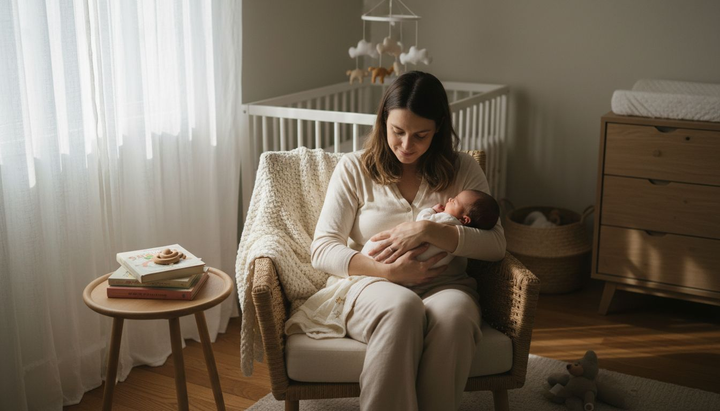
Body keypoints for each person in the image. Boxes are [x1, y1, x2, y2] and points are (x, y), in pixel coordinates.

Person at [311, 71, 506, 410]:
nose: (406, 145)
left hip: (446, 287)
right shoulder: (354, 168)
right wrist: (388, 273)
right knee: (403, 308)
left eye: (421, 135)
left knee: (456, 318)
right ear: (383, 121)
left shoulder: (463, 169)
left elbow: (496, 245)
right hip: (371, 284)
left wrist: (430, 230)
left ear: (439, 129)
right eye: (397, 132)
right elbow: (323, 249)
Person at [361, 189, 500, 269]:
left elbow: (421, 223)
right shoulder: (460, 237)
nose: (450, 199)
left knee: (376, 248)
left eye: (455, 201)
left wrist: (432, 211)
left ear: (464, 219)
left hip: (399, 261)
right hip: (423, 271)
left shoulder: (448, 220)